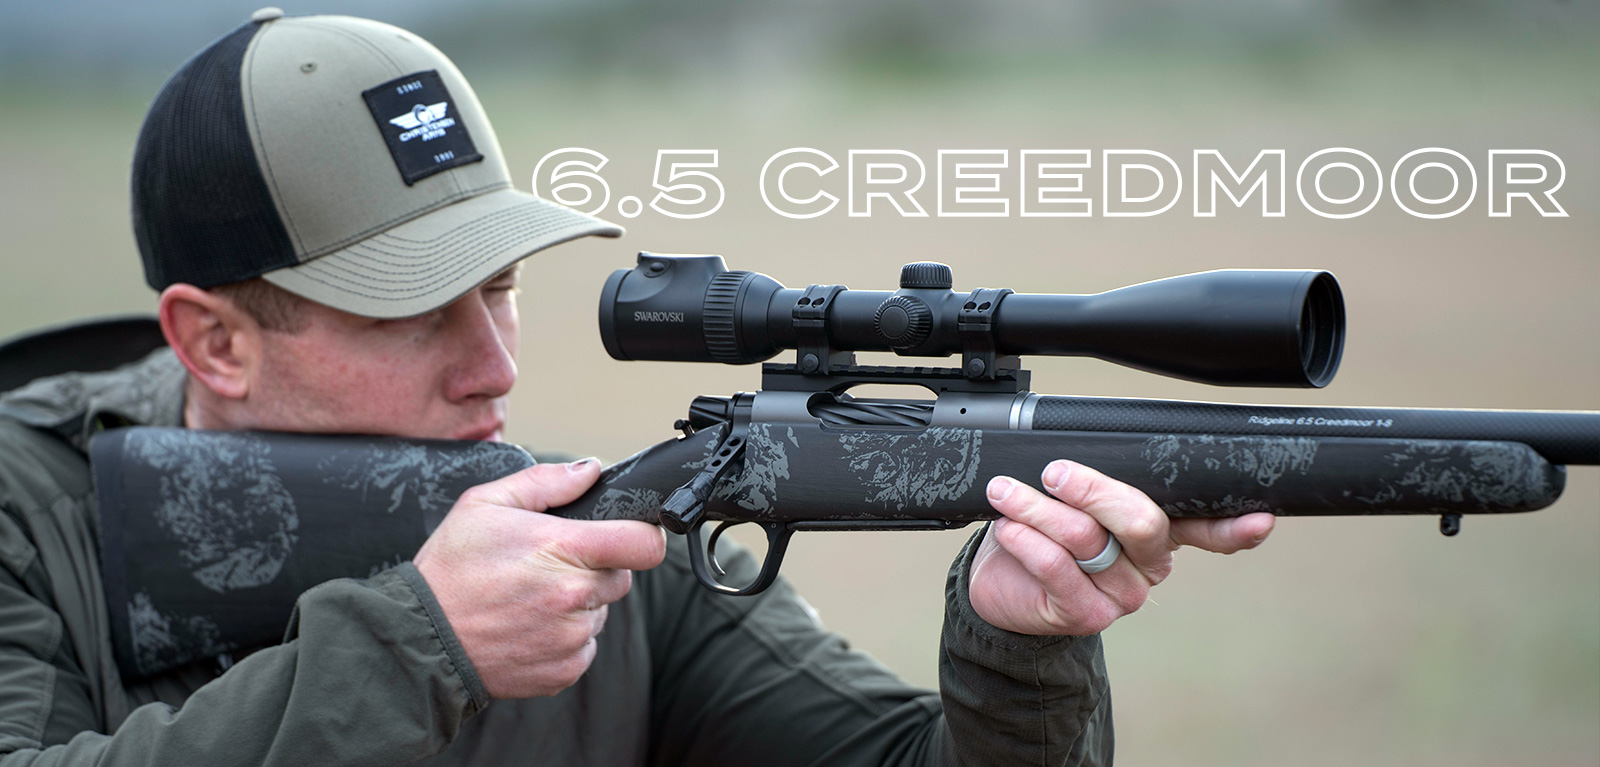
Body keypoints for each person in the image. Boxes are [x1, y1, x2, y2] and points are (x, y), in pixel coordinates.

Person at [0, 10, 1274, 766]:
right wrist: (418, 646)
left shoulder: (585, 540)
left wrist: (1019, 642)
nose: (496, 366)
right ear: (213, 340)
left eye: (498, 288)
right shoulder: (25, 509)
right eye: (413, 309)